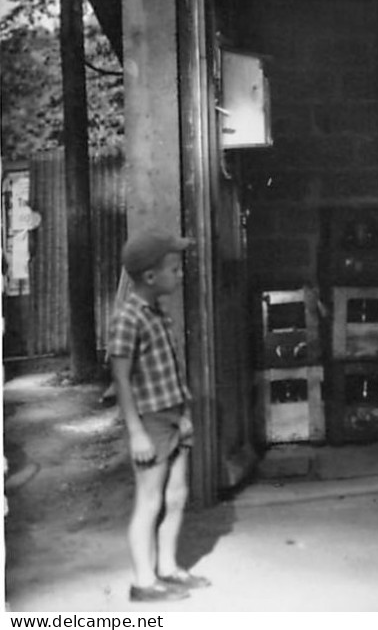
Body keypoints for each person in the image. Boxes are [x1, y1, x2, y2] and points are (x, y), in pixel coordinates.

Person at [107, 231, 210, 602]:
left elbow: (169, 371)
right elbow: (121, 379)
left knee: (177, 495)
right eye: (174, 268)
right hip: (149, 421)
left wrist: (182, 414)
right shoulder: (127, 318)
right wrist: (136, 433)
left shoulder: (158, 314)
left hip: (172, 415)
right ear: (151, 277)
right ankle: (143, 581)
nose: (179, 274)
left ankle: (167, 567)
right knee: (149, 501)